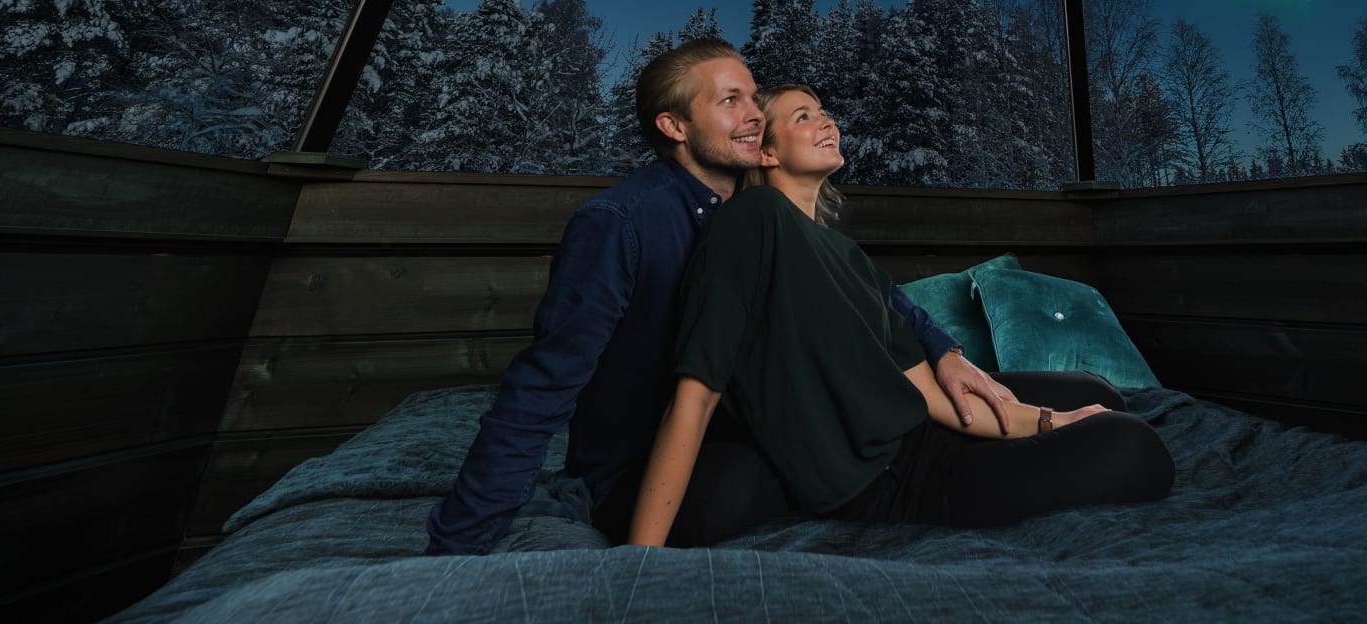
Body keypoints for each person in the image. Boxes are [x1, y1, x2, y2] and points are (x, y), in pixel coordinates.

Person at [424, 38, 1035, 553]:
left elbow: (882, 299)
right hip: (649, 465)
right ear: (675, 126)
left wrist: (946, 351)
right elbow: (542, 386)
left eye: (752, 97)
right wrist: (458, 547)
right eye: (730, 101)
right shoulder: (621, 224)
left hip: (752, 429)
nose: (753, 113)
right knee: (749, 484)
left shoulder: (757, 214)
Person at [627, 84, 1174, 545]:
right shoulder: (754, 220)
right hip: (892, 477)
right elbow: (695, 394)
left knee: (1096, 392)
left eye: (823, 111)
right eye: (803, 116)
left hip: (918, 431)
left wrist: (1021, 402)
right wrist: (636, 561)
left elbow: (920, 373)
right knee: (1134, 445)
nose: (827, 123)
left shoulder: (839, 252)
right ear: (766, 152)